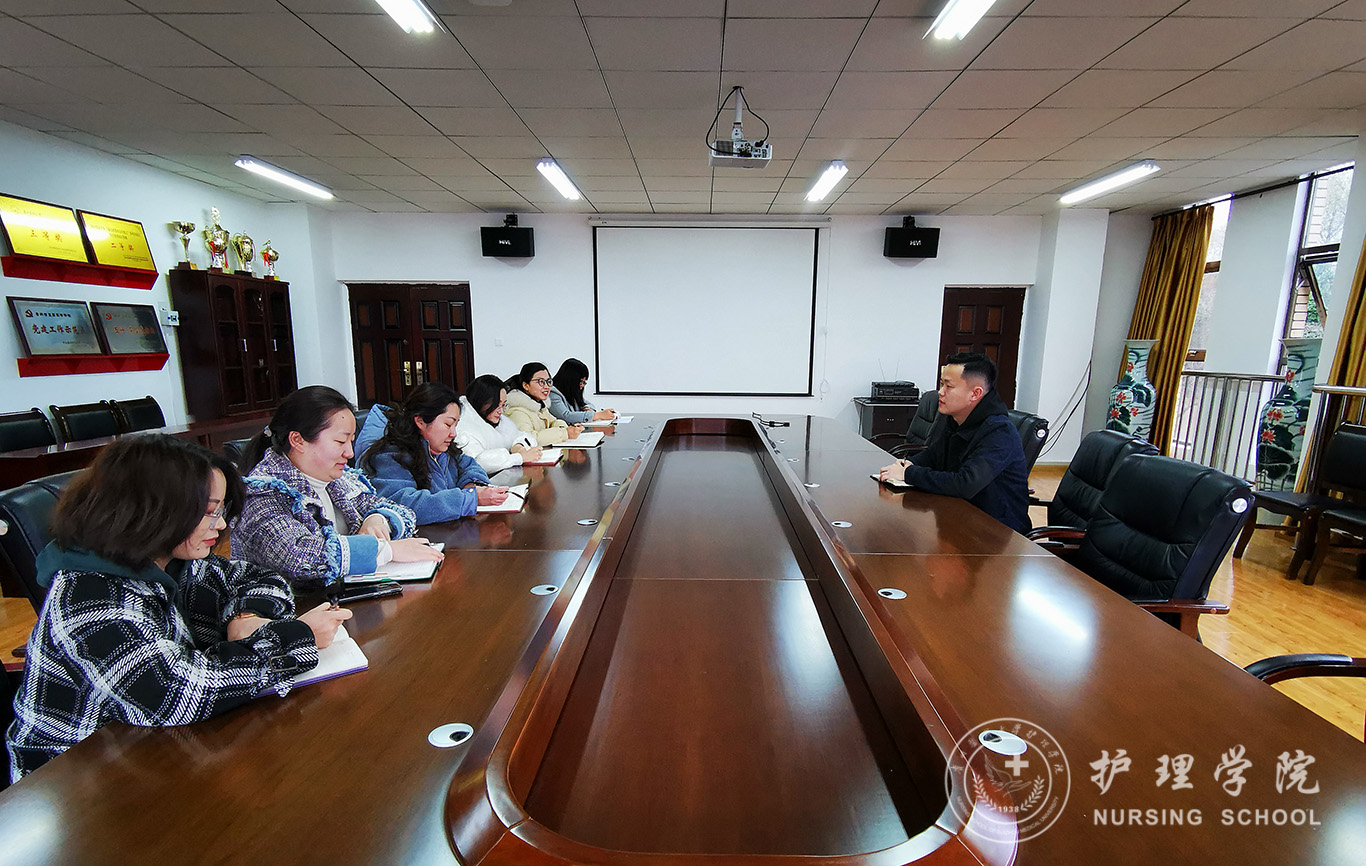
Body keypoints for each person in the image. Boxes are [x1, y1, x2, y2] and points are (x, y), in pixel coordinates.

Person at [5, 434, 352, 781]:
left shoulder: (170, 561)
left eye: (220, 510)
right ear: (151, 509)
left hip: (150, 753)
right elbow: (180, 692)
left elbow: (260, 577)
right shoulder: (89, 600)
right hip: (74, 780)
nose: (220, 524)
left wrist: (247, 616)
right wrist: (298, 636)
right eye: (208, 512)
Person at [231, 385, 443, 583]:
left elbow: (400, 511)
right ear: (297, 440)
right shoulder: (261, 493)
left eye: (351, 441)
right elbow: (298, 556)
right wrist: (386, 550)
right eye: (340, 441)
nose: (349, 453)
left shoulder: (339, 479)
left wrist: (378, 519)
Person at [878, 353, 1030, 534]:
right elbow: (934, 455)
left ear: (975, 393)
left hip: (996, 532)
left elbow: (965, 483)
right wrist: (909, 463)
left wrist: (909, 474)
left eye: (948, 386)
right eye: (941, 384)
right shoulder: (956, 418)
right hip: (957, 515)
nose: (940, 392)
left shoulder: (999, 431)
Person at [359, 382, 509, 524]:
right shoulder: (390, 456)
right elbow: (404, 504)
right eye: (448, 424)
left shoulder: (442, 449)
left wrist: (471, 485)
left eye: (455, 425)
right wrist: (468, 498)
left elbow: (469, 465)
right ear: (421, 421)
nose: (453, 433)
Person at [455, 374, 544, 475]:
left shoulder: (498, 421)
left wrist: (519, 446)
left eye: (503, 405)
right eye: (497, 405)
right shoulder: (464, 428)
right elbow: (478, 462)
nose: (501, 411)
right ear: (481, 401)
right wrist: (519, 458)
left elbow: (524, 436)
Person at [505, 362, 582, 446]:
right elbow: (528, 439)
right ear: (526, 385)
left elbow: (555, 422)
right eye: (541, 381)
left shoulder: (539, 405)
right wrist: (564, 433)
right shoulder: (517, 411)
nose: (547, 386)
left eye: (548, 381)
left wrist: (564, 430)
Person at [548, 358, 614, 425]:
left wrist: (587, 408)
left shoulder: (570, 391)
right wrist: (597, 415)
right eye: (580, 382)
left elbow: (586, 404)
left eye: (584, 382)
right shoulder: (552, 394)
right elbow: (566, 416)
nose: (582, 385)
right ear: (570, 380)